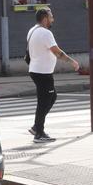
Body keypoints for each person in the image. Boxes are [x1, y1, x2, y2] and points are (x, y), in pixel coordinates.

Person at [25, 8, 79, 143]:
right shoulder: (45, 33)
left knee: (51, 97)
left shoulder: (32, 30)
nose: (53, 19)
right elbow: (57, 52)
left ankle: (36, 127)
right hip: (42, 72)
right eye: (51, 17)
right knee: (43, 102)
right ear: (45, 19)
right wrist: (72, 61)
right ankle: (39, 133)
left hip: (37, 70)